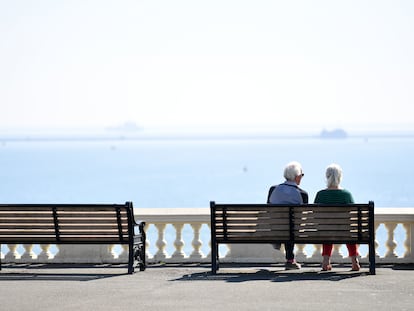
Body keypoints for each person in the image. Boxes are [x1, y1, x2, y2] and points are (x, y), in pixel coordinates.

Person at [314, 163, 360, 271]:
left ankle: (325, 262)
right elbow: (353, 215)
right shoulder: (346, 195)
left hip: (325, 231)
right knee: (348, 230)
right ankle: (354, 261)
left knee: (327, 229)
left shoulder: (320, 194)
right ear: (340, 177)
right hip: (344, 231)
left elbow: (315, 215)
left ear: (327, 177)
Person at [267, 161, 308, 270]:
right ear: (297, 177)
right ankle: (290, 260)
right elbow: (303, 217)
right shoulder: (302, 194)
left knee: (284, 224)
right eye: (302, 175)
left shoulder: (273, 189)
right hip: (292, 231)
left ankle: (279, 246)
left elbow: (268, 210)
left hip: (274, 228)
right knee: (291, 225)